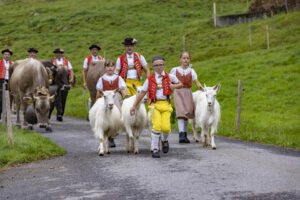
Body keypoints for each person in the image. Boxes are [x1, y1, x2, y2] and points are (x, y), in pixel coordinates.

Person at [130, 56, 182, 158]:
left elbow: (181, 84)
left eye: (161, 65)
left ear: (164, 65)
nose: (159, 67)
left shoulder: (170, 77)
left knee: (166, 128)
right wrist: (134, 105)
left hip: (166, 104)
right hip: (154, 105)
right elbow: (142, 92)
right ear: (153, 67)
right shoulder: (149, 79)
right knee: (156, 126)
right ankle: (155, 148)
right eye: (156, 65)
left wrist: (174, 86)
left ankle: (164, 140)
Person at [170, 51, 203, 143]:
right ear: (180, 59)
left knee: (187, 113)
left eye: (187, 58)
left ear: (190, 60)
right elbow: (169, 80)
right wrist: (170, 88)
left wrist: (202, 88)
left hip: (188, 92)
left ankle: (184, 134)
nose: (185, 60)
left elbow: (196, 81)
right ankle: (181, 135)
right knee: (181, 113)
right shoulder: (174, 70)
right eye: (184, 58)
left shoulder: (191, 71)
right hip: (178, 91)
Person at [96, 59, 128, 147]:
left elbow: (122, 89)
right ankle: (104, 133)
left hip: (115, 95)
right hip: (105, 96)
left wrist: (126, 97)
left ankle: (118, 120)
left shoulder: (118, 78)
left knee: (116, 101)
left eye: (112, 66)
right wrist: (96, 102)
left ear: (114, 67)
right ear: (105, 68)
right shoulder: (102, 79)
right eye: (108, 66)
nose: (110, 68)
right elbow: (99, 92)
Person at [51, 48, 75, 121]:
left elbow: (71, 70)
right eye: (57, 53)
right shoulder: (52, 61)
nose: (59, 54)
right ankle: (54, 112)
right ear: (55, 54)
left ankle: (60, 114)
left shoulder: (66, 61)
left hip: (64, 82)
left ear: (62, 54)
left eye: (60, 53)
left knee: (63, 98)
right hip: (55, 83)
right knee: (55, 98)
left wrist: (72, 78)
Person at [0, 49, 13, 118]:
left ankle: (7, 116)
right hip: (1, 81)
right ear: (3, 55)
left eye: (8, 54)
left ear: (10, 56)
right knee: (0, 99)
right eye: (5, 54)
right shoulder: (0, 62)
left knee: (9, 99)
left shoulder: (12, 64)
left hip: (10, 82)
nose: (7, 56)